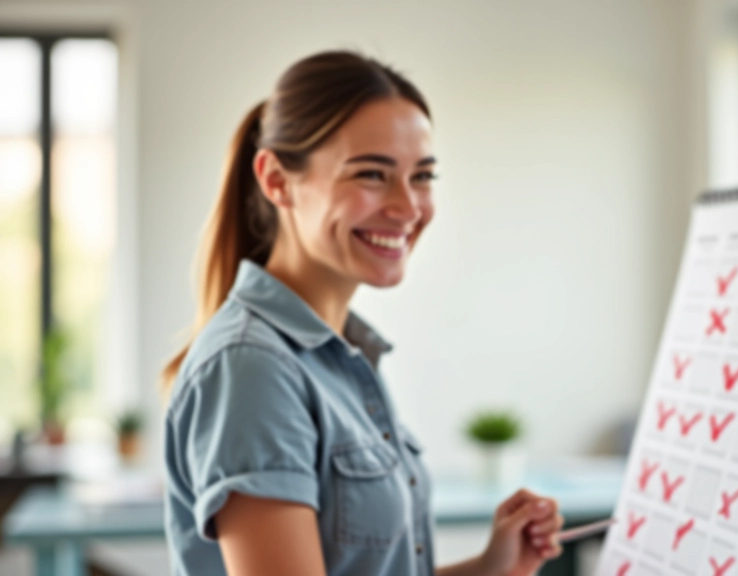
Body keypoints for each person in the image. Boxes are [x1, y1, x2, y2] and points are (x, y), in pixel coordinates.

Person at [161, 50, 564, 576]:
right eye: (372, 174)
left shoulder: (339, 357)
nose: (408, 206)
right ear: (277, 180)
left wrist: (494, 567)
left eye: (422, 176)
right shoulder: (253, 368)